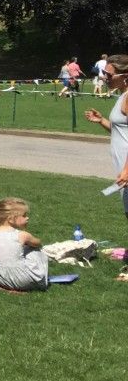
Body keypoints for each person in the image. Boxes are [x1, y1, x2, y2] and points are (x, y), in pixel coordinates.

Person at [84, 54, 128, 278]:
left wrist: (127, 169)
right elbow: (121, 131)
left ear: (124, 76)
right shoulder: (122, 96)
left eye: (109, 74)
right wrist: (101, 121)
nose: (104, 77)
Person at [0, 198, 48, 291]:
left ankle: (5, 288)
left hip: (1, 279)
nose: (27, 218)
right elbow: (38, 243)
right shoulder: (22, 235)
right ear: (11, 219)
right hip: (23, 280)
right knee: (36, 250)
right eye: (24, 215)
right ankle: (41, 281)